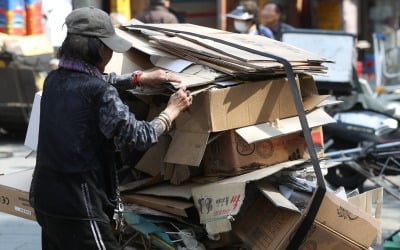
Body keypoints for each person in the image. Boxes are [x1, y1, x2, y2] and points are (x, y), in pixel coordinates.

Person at [29, 7, 192, 250]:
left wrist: (138, 78)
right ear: (97, 49)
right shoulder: (99, 92)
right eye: (108, 47)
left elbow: (91, 84)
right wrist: (171, 111)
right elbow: (139, 136)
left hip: (44, 196)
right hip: (79, 205)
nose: (109, 54)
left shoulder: (54, 80)